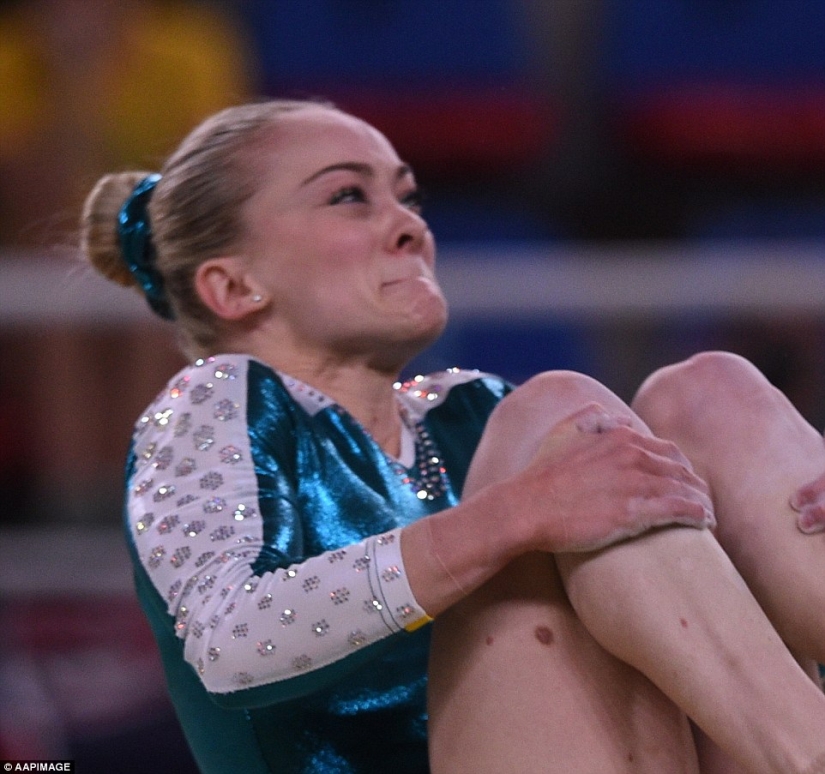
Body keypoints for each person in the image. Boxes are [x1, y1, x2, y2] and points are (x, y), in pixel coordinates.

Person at [79, 98, 825, 774]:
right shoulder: (210, 404)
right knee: (568, 417)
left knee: (704, 397)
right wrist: (510, 519)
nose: (410, 226)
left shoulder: (469, 414)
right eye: (348, 197)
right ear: (234, 287)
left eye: (406, 196)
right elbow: (229, 642)